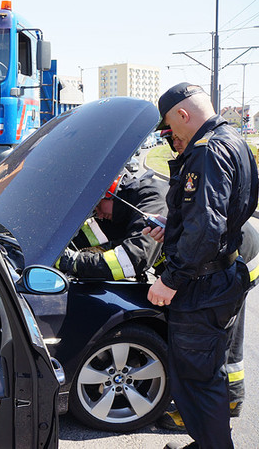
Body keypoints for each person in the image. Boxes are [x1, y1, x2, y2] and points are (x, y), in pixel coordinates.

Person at [143, 83, 258, 449]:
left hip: (201, 284)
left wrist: (170, 280)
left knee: (198, 379)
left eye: (170, 125)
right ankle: (209, 442)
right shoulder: (234, 141)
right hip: (220, 276)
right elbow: (222, 216)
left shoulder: (206, 153)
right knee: (208, 372)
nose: (170, 135)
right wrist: (171, 227)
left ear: (182, 114)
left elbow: (207, 226)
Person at [57, 171, 167, 280]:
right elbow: (88, 233)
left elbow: (133, 260)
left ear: (110, 192)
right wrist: (53, 249)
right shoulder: (124, 205)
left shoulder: (151, 200)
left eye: (98, 207)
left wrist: (72, 262)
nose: (99, 215)